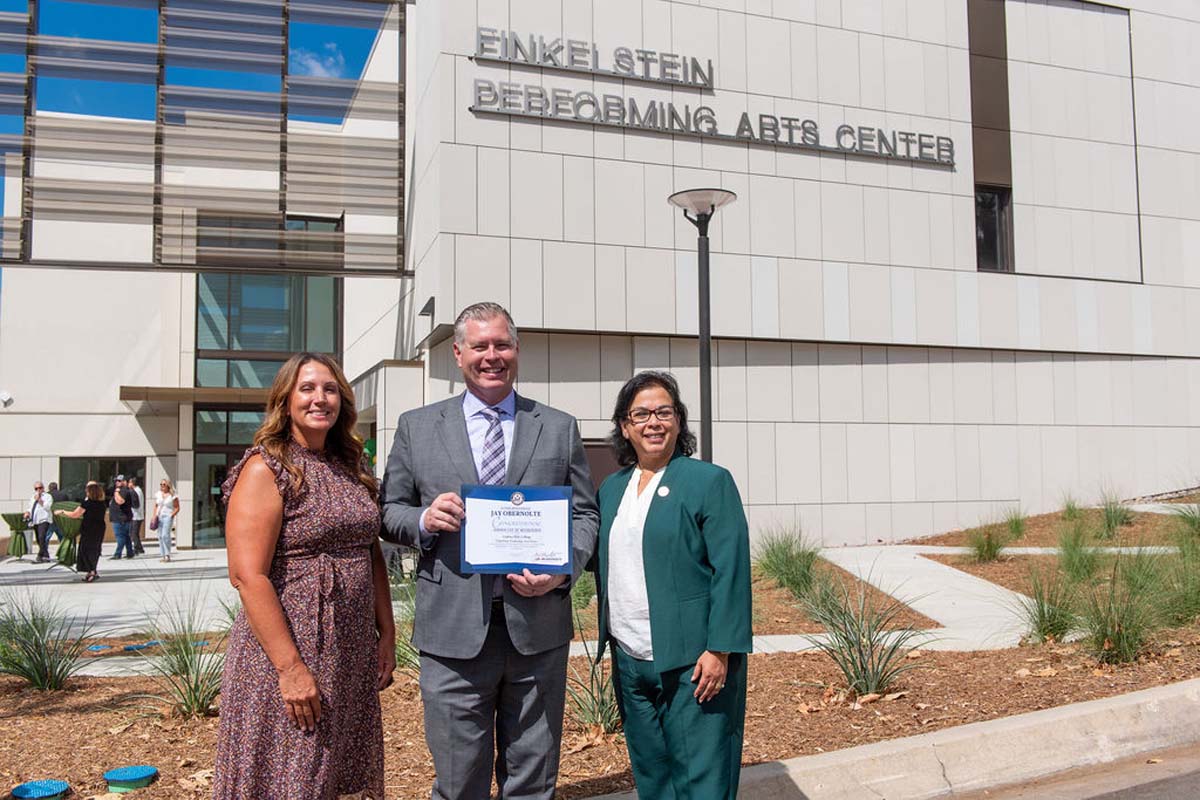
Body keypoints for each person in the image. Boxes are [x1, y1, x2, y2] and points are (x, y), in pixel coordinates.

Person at [380, 302, 599, 800]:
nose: (491, 356)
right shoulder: (417, 426)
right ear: (458, 354)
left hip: (537, 630)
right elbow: (389, 510)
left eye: (502, 344)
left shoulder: (558, 426)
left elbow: (585, 515)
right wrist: (422, 519)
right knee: (459, 782)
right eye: (480, 346)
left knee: (533, 780)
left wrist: (562, 571)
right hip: (453, 635)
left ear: (517, 351)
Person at [213, 352, 394, 800]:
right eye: (308, 388)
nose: (320, 399)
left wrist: (386, 634)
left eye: (330, 389)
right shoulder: (266, 467)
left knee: (336, 775)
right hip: (289, 649)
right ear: (286, 400)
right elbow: (247, 576)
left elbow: (370, 553)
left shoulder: (351, 466)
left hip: (349, 652)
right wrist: (290, 668)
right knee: (292, 772)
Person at [592, 371, 752, 799]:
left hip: (694, 661)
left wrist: (720, 650)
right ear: (624, 427)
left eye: (664, 412)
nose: (653, 422)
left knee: (702, 779)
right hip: (630, 658)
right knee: (654, 777)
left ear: (679, 421)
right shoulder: (611, 489)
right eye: (640, 414)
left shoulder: (708, 482)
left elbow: (731, 571)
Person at [57, 481, 107, 582]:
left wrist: (62, 511)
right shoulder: (102, 504)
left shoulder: (87, 504)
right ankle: (92, 570)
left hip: (89, 528)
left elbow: (75, 514)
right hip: (99, 528)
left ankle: (91, 571)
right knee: (95, 549)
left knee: (85, 549)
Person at [23, 480, 53, 562]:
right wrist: (27, 512)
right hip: (35, 520)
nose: (38, 490)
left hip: (44, 519)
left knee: (41, 536)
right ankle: (46, 555)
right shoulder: (33, 497)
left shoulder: (47, 496)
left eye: (40, 488)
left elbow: (47, 507)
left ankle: (40, 555)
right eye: (36, 488)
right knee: (38, 539)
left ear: (43, 488)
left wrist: (39, 500)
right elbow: (30, 507)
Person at [151, 479, 180, 562]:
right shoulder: (158, 494)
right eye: (161, 484)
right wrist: (154, 516)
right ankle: (163, 555)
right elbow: (156, 506)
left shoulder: (173, 495)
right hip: (159, 516)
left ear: (168, 485)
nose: (162, 486)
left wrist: (171, 515)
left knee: (165, 535)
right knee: (160, 536)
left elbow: (177, 507)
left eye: (164, 484)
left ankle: (167, 554)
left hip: (167, 516)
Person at [109, 474, 135, 559]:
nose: (117, 482)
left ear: (124, 482)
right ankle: (130, 552)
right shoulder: (123, 490)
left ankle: (117, 553)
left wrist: (116, 492)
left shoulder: (123, 491)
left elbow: (120, 501)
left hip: (121, 519)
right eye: (116, 481)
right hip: (121, 518)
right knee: (126, 537)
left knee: (120, 536)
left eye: (119, 481)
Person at [128, 476, 146, 555]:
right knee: (135, 533)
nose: (128, 484)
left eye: (129, 482)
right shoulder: (139, 490)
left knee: (133, 533)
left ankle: (136, 548)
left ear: (132, 483)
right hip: (138, 515)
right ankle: (139, 548)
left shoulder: (135, 491)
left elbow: (135, 504)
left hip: (136, 515)